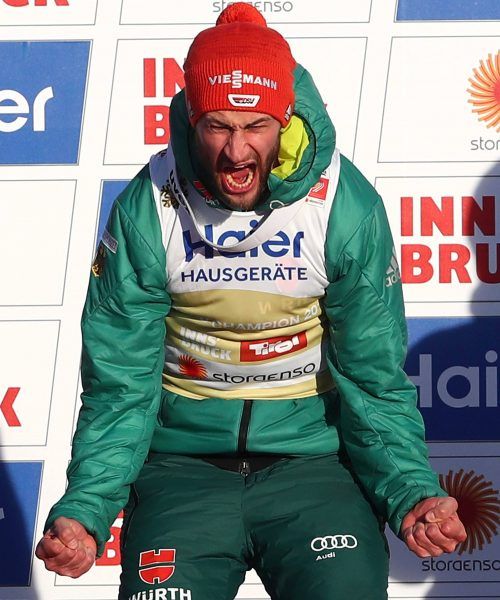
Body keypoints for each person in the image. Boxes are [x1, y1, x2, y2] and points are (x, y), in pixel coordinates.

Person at [36, 4, 466, 599]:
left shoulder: (342, 206)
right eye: (218, 126)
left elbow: (373, 379)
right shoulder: (148, 207)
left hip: (314, 468)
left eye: (256, 126)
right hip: (181, 470)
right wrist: (86, 509)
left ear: (285, 119)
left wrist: (410, 491)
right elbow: (120, 386)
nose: (237, 152)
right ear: (191, 119)